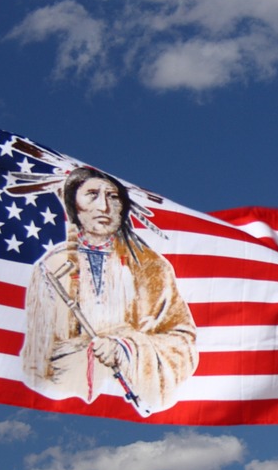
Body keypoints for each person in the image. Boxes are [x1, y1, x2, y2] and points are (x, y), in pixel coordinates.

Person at [19, 166, 197, 414]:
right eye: (91, 194)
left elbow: (182, 340)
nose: (103, 206)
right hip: (63, 406)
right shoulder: (51, 267)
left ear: (123, 207)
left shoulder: (151, 267)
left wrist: (126, 348)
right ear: (74, 205)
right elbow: (36, 358)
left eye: (113, 197)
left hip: (127, 400)